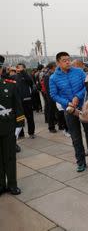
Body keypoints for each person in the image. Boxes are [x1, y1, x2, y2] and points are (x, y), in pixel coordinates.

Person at [50, 52, 88, 172]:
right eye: (64, 60)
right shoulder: (54, 78)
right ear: (58, 62)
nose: (67, 62)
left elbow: (86, 86)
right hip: (69, 110)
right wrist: (67, 102)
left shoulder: (78, 72)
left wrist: (77, 96)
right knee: (76, 138)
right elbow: (54, 94)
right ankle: (80, 162)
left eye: (68, 59)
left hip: (85, 108)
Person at [0, 55, 25, 196]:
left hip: (8, 127)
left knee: (10, 156)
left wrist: (19, 125)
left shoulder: (10, 85)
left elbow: (18, 106)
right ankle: (1, 184)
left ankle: (12, 184)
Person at [13, 63, 35, 139]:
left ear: (24, 69)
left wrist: (23, 72)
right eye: (18, 68)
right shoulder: (14, 76)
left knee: (30, 118)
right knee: (19, 118)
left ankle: (31, 133)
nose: (19, 69)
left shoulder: (27, 76)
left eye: (21, 68)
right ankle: (21, 134)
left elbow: (30, 82)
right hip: (18, 101)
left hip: (27, 100)